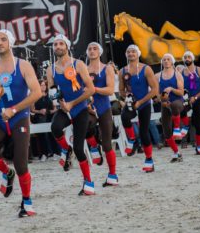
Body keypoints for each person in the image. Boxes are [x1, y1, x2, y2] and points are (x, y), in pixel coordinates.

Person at [0, 29, 41, 217]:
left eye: (3, 39)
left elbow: (37, 93)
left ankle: (27, 202)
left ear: (10, 43)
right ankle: (7, 173)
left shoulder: (24, 66)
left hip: (19, 117)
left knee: (21, 164)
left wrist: (14, 109)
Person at [46, 34, 95, 195]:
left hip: (80, 108)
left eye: (61, 44)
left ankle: (88, 183)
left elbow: (91, 89)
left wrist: (72, 104)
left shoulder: (78, 64)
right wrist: (61, 104)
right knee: (55, 127)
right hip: (64, 107)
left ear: (67, 47)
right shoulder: (50, 69)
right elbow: (53, 92)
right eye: (55, 44)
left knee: (80, 148)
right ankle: (67, 150)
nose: (58, 46)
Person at [119, 44, 158, 172]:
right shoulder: (122, 71)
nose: (131, 54)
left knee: (144, 132)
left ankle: (149, 160)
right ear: (126, 54)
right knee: (124, 117)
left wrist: (140, 102)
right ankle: (131, 139)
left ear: (138, 54)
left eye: (133, 52)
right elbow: (121, 91)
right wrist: (128, 96)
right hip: (132, 102)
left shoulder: (146, 69)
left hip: (144, 103)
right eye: (128, 52)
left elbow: (155, 89)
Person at [85, 42, 118, 186]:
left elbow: (110, 90)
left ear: (100, 52)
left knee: (107, 145)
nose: (92, 51)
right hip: (89, 107)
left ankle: (112, 174)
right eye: (90, 49)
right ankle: (93, 146)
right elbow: (80, 91)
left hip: (104, 107)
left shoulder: (107, 68)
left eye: (95, 49)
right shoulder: (83, 69)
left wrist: (94, 89)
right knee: (85, 125)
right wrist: (87, 104)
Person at [155, 53, 184, 162]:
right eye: (164, 59)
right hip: (164, 104)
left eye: (168, 59)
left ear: (172, 62)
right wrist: (160, 99)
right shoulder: (157, 76)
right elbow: (155, 93)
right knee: (166, 132)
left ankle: (177, 128)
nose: (166, 61)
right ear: (162, 62)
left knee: (174, 106)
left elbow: (181, 92)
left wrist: (171, 88)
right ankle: (176, 152)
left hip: (177, 101)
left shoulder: (177, 75)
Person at [180, 51, 200, 154]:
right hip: (185, 99)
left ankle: (199, 146)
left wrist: (195, 97)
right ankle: (187, 124)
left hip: (197, 99)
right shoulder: (180, 71)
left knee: (198, 123)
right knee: (180, 112)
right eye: (185, 57)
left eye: (189, 57)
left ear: (192, 58)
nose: (187, 59)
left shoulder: (199, 70)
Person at [30, 80, 58, 161]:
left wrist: (51, 111)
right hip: (39, 117)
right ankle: (44, 154)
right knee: (42, 135)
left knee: (52, 134)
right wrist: (40, 111)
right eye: (41, 85)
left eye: (44, 85)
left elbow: (54, 107)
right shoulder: (35, 95)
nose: (43, 87)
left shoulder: (50, 95)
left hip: (49, 116)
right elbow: (32, 109)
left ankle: (54, 153)